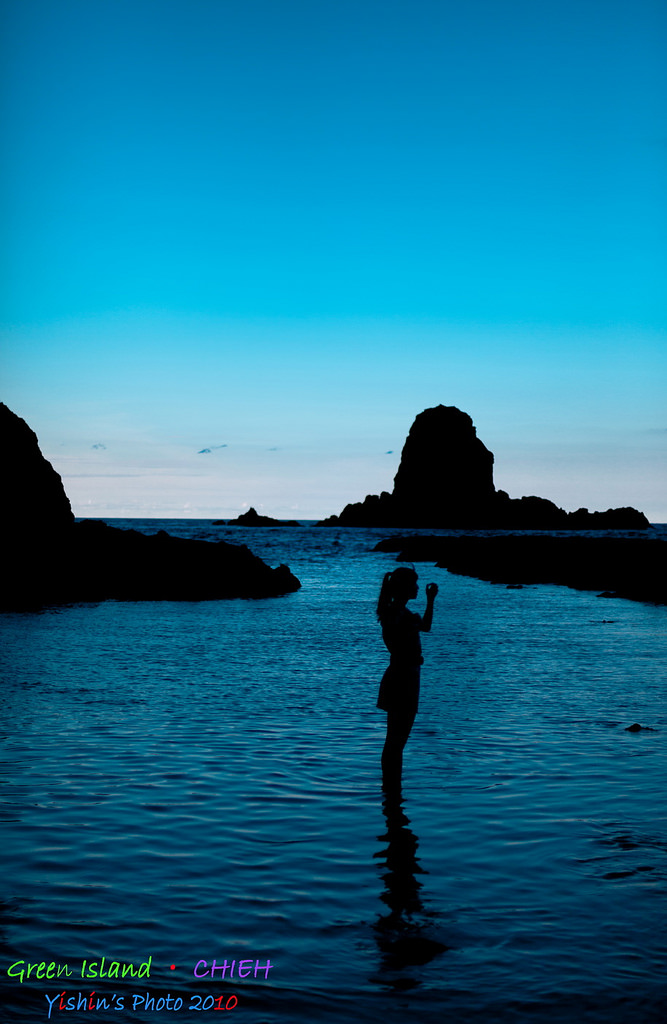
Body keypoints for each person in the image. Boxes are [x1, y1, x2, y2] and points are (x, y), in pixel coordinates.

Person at [376, 567, 438, 790]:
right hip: (401, 679)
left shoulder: (402, 613)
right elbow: (399, 637)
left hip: (409, 677)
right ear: (404, 587)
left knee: (397, 742)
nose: (417, 588)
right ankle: (391, 790)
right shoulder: (395, 614)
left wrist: (430, 600)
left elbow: (426, 627)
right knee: (395, 741)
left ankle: (392, 790)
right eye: (414, 584)